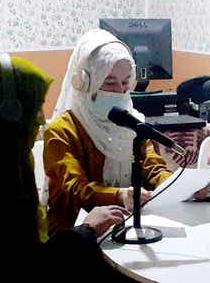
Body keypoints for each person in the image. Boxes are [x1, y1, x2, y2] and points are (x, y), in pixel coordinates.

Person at [0, 55, 132, 281]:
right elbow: (27, 264)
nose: (42, 119)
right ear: (7, 112)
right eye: (35, 107)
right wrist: (87, 229)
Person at [45, 29, 172, 234]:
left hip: (126, 226)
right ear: (86, 83)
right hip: (77, 237)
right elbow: (76, 189)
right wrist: (120, 196)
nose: (120, 91)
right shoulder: (61, 131)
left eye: (125, 82)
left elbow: (152, 167)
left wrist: (177, 186)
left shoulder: (133, 123)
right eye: (109, 82)